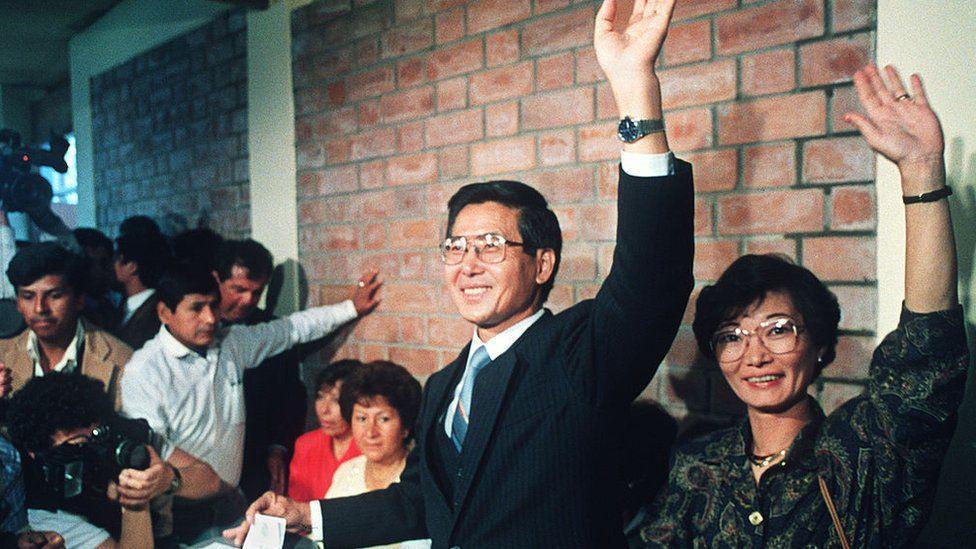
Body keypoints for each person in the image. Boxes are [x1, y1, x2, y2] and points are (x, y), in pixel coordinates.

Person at [225, 0, 694, 545]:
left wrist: (636, 87)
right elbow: (423, 502)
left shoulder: (577, 354)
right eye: (455, 247)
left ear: (542, 263)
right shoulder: (445, 386)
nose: (467, 264)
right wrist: (307, 515)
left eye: (491, 245)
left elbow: (652, 280)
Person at [638, 65, 968, 547]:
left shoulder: (863, 454)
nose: (754, 356)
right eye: (731, 336)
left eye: (777, 329)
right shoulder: (697, 466)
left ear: (819, 344)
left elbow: (927, 345)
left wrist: (921, 172)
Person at [121, 262, 382, 542]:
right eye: (196, 308)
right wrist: (214, 485)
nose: (210, 318)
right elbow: (154, 449)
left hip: (231, 506)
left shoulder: (231, 344)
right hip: (175, 515)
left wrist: (351, 308)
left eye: (213, 305)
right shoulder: (144, 370)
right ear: (165, 312)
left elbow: (291, 329)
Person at [5, 373, 158, 548]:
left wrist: (169, 479)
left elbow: (195, 472)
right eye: (78, 445)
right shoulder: (45, 514)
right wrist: (135, 501)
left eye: (97, 437)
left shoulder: (118, 438)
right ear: (40, 455)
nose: (94, 451)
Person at [213, 239, 308, 500]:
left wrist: (278, 448)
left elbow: (291, 395)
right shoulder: (191, 327)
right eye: (239, 289)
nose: (248, 300)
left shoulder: (272, 331)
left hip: (256, 462)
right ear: (216, 280)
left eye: (257, 292)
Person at [0, 243, 132, 406]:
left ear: (79, 299)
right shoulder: (3, 356)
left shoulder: (123, 361)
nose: (40, 308)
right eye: (28, 296)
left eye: (55, 296)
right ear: (18, 303)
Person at [324, 361, 426, 548]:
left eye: (383, 419)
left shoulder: (420, 483)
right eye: (362, 418)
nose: (370, 432)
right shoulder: (346, 473)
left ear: (405, 427)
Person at [288, 359, 363, 503]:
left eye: (336, 400)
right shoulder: (306, 445)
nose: (324, 410)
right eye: (320, 397)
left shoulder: (370, 447)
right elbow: (297, 505)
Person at [112, 229, 172, 350]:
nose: (112, 265)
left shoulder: (156, 315)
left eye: (117, 259)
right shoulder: (120, 307)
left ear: (132, 267)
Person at [73, 228, 120, 331]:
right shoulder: (71, 315)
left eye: (108, 263)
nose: (109, 270)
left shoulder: (109, 307)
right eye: (103, 264)